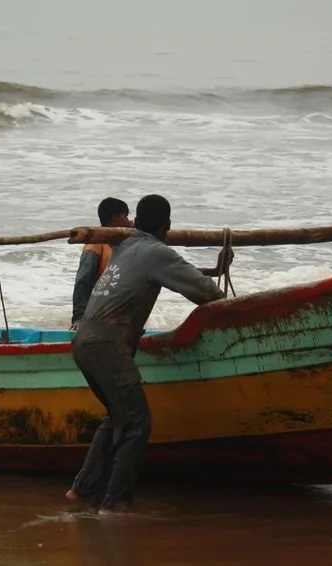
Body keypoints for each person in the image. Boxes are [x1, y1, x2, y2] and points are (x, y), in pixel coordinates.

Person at [64, 194, 233, 514]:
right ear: (167, 226)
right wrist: (235, 311)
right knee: (137, 422)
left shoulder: (125, 245)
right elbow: (206, 293)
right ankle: (116, 503)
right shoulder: (157, 252)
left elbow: (169, 269)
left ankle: (82, 489)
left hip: (84, 342)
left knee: (117, 416)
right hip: (108, 347)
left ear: (137, 223)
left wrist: (212, 268)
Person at [71, 197, 132, 330]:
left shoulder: (124, 243)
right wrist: (79, 317)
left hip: (117, 313)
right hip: (97, 313)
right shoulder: (95, 245)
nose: (128, 221)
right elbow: (83, 282)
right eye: (125, 217)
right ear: (115, 219)